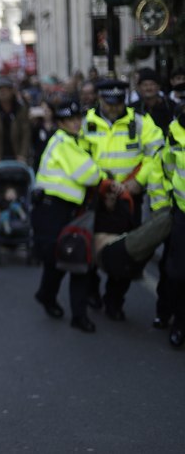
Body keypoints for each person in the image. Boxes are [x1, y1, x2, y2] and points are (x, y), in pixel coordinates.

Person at [79, 79, 164, 320]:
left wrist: (138, 182)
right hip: (97, 198)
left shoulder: (139, 122)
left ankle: (114, 299)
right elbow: (79, 156)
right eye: (109, 103)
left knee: (128, 252)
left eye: (118, 103)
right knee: (90, 250)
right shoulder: (87, 124)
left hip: (129, 197)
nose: (114, 108)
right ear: (100, 99)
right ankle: (92, 290)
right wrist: (101, 183)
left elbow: (156, 153)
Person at [33, 100, 111, 333]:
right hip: (52, 210)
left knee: (77, 257)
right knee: (58, 259)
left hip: (69, 210)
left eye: (78, 118)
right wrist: (103, 174)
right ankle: (47, 296)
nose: (76, 123)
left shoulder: (74, 139)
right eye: (70, 120)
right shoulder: (63, 142)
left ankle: (77, 314)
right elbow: (88, 174)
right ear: (60, 123)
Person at [162, 106, 185, 346]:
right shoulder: (175, 130)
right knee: (178, 274)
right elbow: (167, 166)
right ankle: (179, 323)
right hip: (182, 213)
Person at [0, 75, 31, 164]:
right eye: (0, 89)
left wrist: (23, 155)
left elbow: (26, 134)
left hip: (17, 158)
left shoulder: (21, 110)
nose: (2, 92)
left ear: (12, 91)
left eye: (5, 88)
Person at [131, 67, 177, 134]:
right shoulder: (133, 108)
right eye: (145, 85)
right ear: (139, 88)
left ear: (158, 87)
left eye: (152, 84)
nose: (148, 88)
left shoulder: (170, 106)